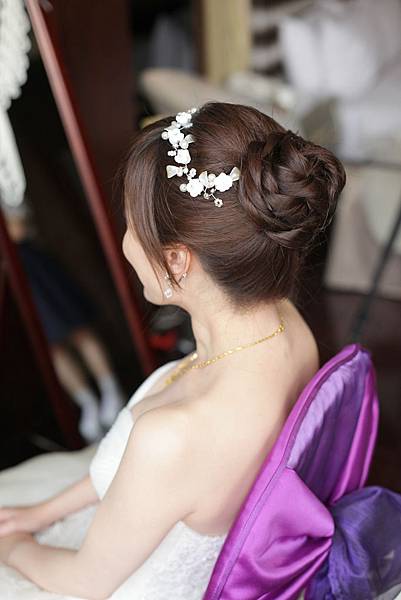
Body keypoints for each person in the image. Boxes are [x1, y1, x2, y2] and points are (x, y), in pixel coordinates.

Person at [0, 101, 346, 599]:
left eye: (129, 225)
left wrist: (12, 546)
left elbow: (82, 582)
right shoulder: (285, 325)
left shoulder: (174, 435)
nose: (126, 243)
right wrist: (40, 513)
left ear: (177, 260)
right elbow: (138, 476)